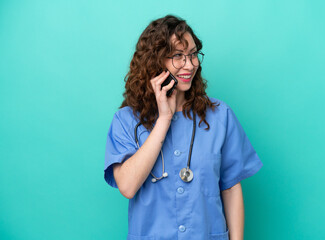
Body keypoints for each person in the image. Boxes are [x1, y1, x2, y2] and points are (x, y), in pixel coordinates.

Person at [104, 15, 263, 240]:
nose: (190, 65)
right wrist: (164, 119)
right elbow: (128, 187)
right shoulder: (125, 120)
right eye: (178, 56)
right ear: (155, 61)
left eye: (193, 54)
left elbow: (230, 188)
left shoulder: (220, 115)